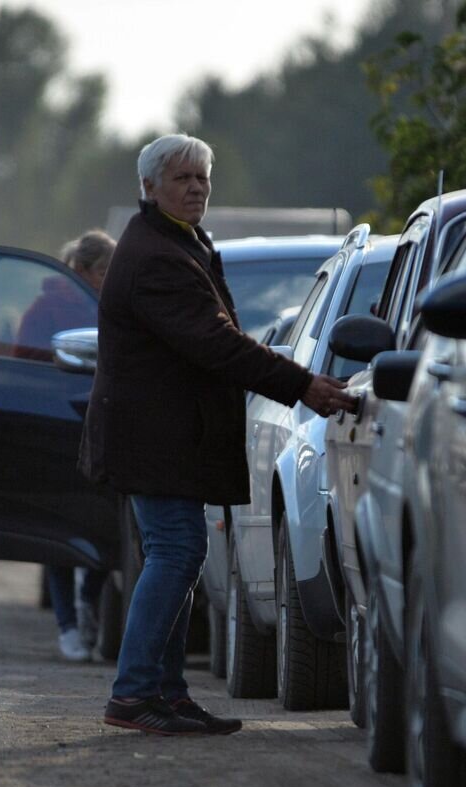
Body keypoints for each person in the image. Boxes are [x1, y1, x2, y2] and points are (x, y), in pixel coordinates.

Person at [78, 134, 355, 735]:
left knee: (176, 553)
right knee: (178, 552)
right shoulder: (158, 256)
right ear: (149, 188)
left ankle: (165, 693)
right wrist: (301, 383)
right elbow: (215, 341)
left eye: (202, 178)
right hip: (153, 439)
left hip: (165, 437)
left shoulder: (180, 243)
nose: (196, 188)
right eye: (182, 178)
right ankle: (134, 694)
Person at [38, 230, 117, 662]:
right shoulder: (47, 307)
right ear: (82, 271)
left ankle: (89, 602)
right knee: (59, 533)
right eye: (104, 271)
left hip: (102, 429)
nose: (109, 279)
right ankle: (67, 624)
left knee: (102, 525)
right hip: (56, 427)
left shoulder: (114, 305)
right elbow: (25, 356)